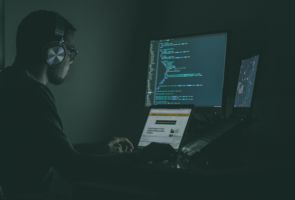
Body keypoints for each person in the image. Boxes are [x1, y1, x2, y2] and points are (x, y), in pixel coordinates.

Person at [0, 10, 174, 199]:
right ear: (54, 53)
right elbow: (73, 168)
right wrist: (142, 156)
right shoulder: (32, 93)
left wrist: (102, 148)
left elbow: (52, 151)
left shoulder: (9, 81)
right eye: (70, 51)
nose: (71, 60)